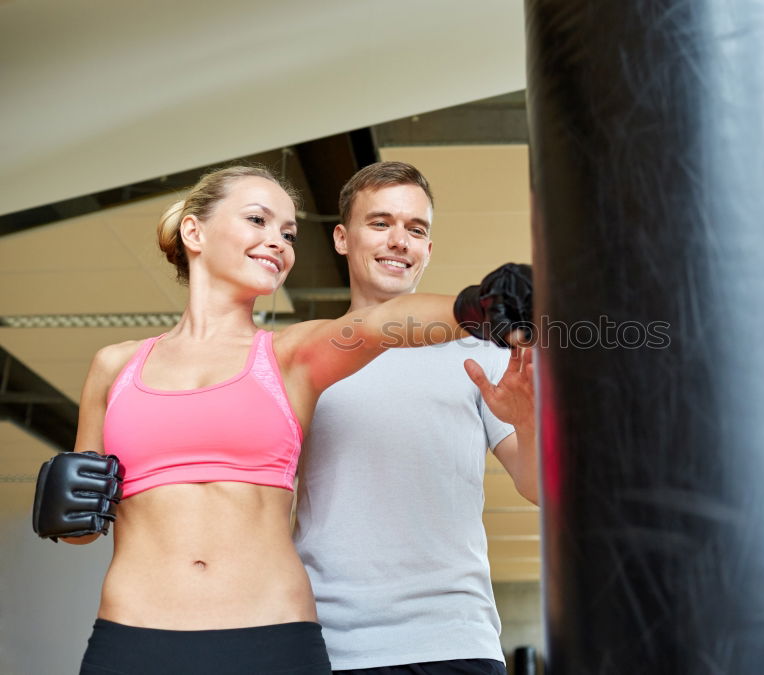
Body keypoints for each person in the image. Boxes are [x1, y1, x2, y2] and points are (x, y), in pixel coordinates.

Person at [30, 165, 529, 675]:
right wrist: (65, 514)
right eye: (258, 220)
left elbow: (380, 324)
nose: (279, 242)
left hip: (271, 636)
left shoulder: (291, 355)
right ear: (194, 231)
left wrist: (480, 307)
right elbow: (81, 530)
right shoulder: (115, 366)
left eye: (288, 234)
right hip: (132, 635)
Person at [293, 161, 538, 674]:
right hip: (332, 643)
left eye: (416, 229)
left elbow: (538, 487)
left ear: (428, 249)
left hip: (455, 639)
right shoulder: (303, 358)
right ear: (342, 237)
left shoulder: (480, 351)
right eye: (380, 223)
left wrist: (529, 420)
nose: (399, 240)